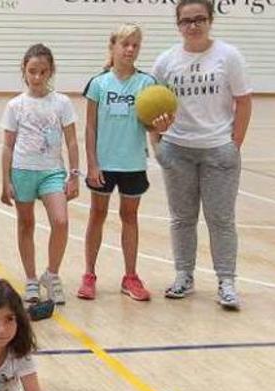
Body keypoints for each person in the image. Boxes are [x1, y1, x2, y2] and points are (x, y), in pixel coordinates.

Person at [152, 0, 253, 310]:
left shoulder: (228, 56)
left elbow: (244, 101)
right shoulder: (166, 61)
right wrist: (157, 143)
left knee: (221, 219)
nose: (192, 25)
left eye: (199, 19)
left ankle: (226, 282)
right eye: (186, 20)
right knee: (182, 219)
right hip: (178, 150)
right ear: (178, 24)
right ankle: (184, 276)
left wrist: (234, 144)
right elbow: (151, 105)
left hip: (218, 151)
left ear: (210, 20)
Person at [80, 24, 162, 302]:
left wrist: (162, 125)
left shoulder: (147, 84)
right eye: (125, 43)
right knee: (97, 215)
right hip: (104, 163)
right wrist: (92, 164)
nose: (130, 49)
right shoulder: (98, 84)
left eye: (135, 45)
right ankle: (89, 275)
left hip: (134, 163)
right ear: (112, 46)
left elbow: (152, 125)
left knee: (130, 217)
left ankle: (130, 276)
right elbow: (90, 128)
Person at [0, 44, 81, 305]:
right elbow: (7, 145)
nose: (37, 77)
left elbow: (71, 141)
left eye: (43, 71)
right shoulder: (15, 105)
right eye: (32, 71)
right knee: (26, 224)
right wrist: (5, 181)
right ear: (24, 71)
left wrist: (75, 174)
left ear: (51, 72)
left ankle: (52, 274)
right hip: (22, 171)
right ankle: (32, 279)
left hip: (52, 172)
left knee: (61, 221)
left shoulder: (62, 103)